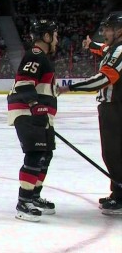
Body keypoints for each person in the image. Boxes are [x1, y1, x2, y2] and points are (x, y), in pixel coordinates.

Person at [59, 13, 122, 216]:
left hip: (116, 108)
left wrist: (72, 87)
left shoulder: (121, 50)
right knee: (112, 153)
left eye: (108, 29)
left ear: (119, 31)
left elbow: (104, 78)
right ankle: (117, 192)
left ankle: (120, 196)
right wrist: (90, 44)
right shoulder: (114, 48)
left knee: (114, 153)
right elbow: (102, 49)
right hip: (112, 108)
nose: (104, 32)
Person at [7, 19, 59, 222]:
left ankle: (34, 196)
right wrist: (36, 107)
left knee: (46, 154)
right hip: (29, 113)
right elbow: (23, 84)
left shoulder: (43, 58)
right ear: (46, 37)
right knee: (35, 154)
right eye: (54, 35)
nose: (56, 39)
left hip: (41, 114)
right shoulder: (35, 55)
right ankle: (24, 201)